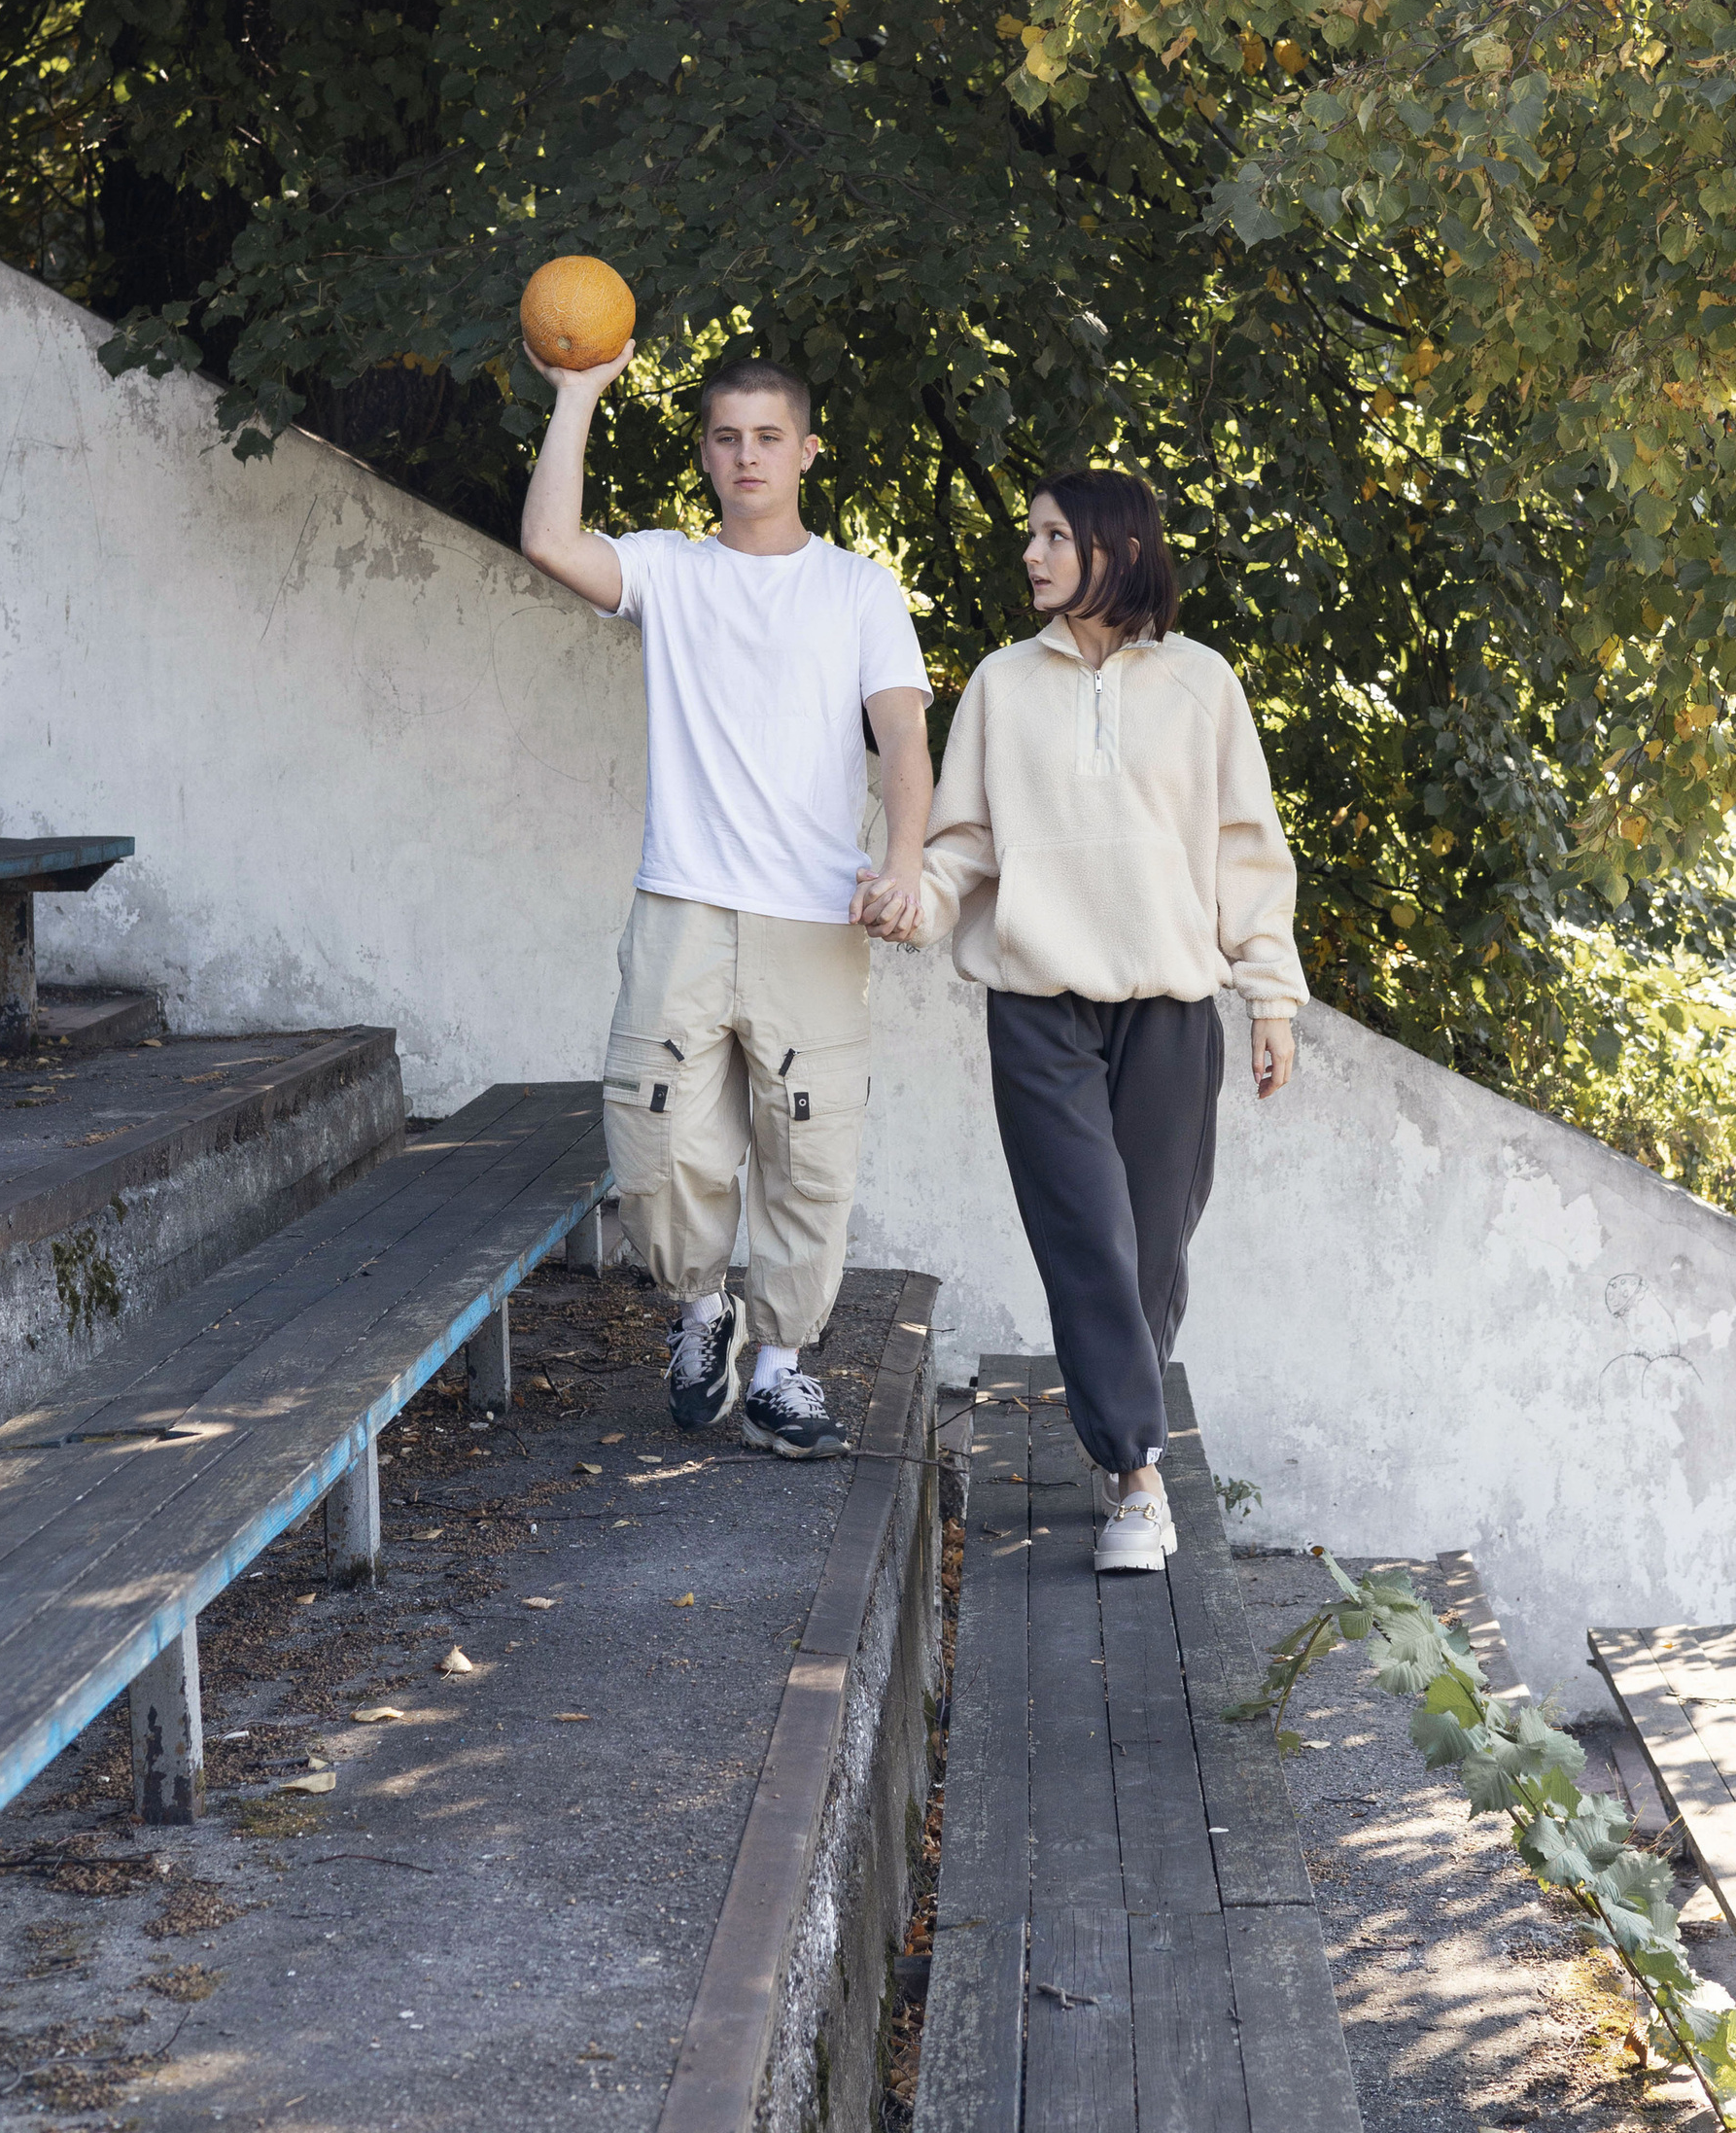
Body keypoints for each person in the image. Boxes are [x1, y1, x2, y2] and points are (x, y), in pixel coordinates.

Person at [853, 468, 1304, 1572]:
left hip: (1169, 1010)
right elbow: (965, 842)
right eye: (1031, 536)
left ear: (1117, 548)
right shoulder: (1004, 687)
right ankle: (1137, 1478)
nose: (1033, 556)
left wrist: (1270, 995)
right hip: (1038, 1008)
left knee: (1152, 1254)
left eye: (1054, 537)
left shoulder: (1203, 685)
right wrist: (919, 896)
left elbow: (1246, 852)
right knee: (1088, 1245)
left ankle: (1117, 1440)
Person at [520, 336, 932, 1460]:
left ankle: (783, 1371)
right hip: (682, 907)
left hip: (815, 915)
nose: (746, 456)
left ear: (805, 450)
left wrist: (903, 862)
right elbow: (551, 541)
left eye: (767, 437)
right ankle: (702, 1314)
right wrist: (579, 394)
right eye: (725, 437)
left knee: (809, 1155)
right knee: (657, 1146)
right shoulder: (672, 569)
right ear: (704, 453)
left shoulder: (857, 589)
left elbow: (901, 732)